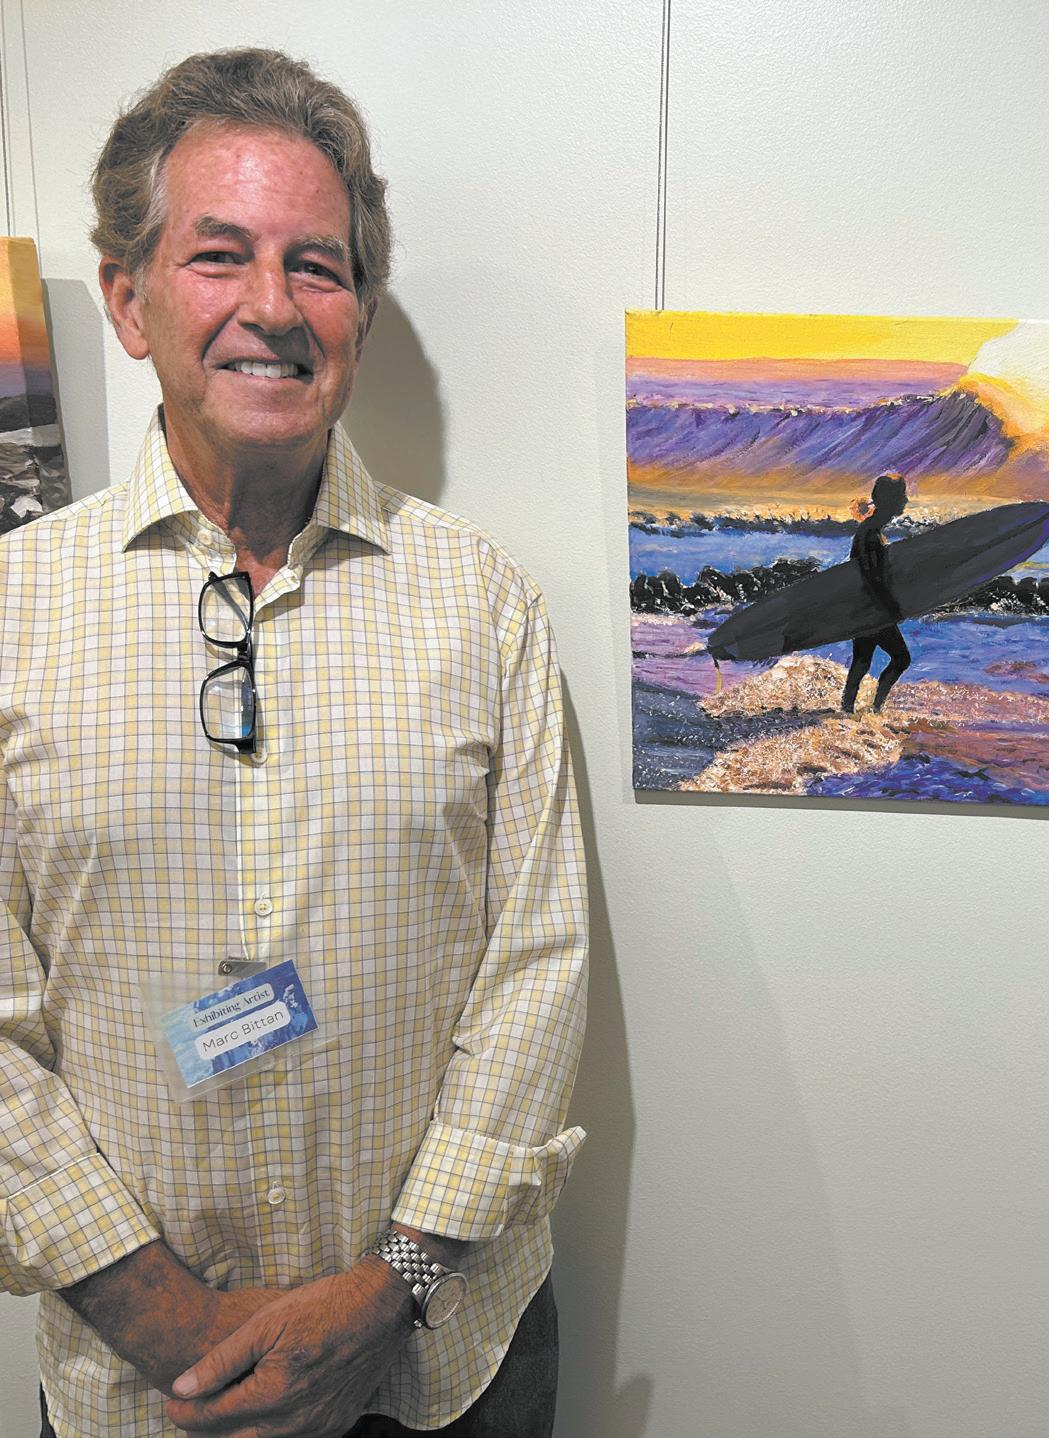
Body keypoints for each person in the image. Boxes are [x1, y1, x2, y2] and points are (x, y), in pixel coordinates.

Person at [0, 48, 587, 1438]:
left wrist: (385, 1294)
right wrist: (173, 1324)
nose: (272, 305)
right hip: (144, 1382)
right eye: (219, 255)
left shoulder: (484, 601)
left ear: (360, 314)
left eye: (316, 265)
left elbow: (540, 971)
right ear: (128, 298)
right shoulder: (11, 608)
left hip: (441, 1359)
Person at [840, 471, 911, 714]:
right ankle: (875, 708)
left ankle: (847, 709)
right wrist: (891, 606)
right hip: (873, 610)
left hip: (864, 608)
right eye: (902, 495)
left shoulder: (871, 529)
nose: (905, 501)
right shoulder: (870, 533)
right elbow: (871, 577)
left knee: (862, 661)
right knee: (901, 659)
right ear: (890, 500)